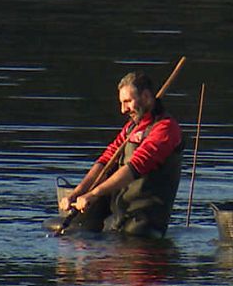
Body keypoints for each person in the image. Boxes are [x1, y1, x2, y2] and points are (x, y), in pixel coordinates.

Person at [59, 71, 183, 238]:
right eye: (121, 103)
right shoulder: (131, 127)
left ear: (146, 97)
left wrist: (94, 194)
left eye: (127, 102)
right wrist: (78, 192)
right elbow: (106, 160)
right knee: (71, 232)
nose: (123, 109)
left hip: (143, 219)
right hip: (120, 211)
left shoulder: (166, 129)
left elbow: (136, 166)